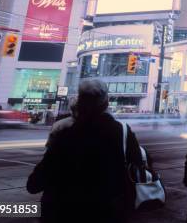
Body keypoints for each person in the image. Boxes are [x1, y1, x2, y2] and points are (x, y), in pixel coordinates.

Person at [27, 79, 143, 223]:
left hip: (63, 212)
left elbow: (34, 184)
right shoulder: (122, 133)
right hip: (107, 212)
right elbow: (139, 166)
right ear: (106, 103)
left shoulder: (65, 135)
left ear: (80, 103)